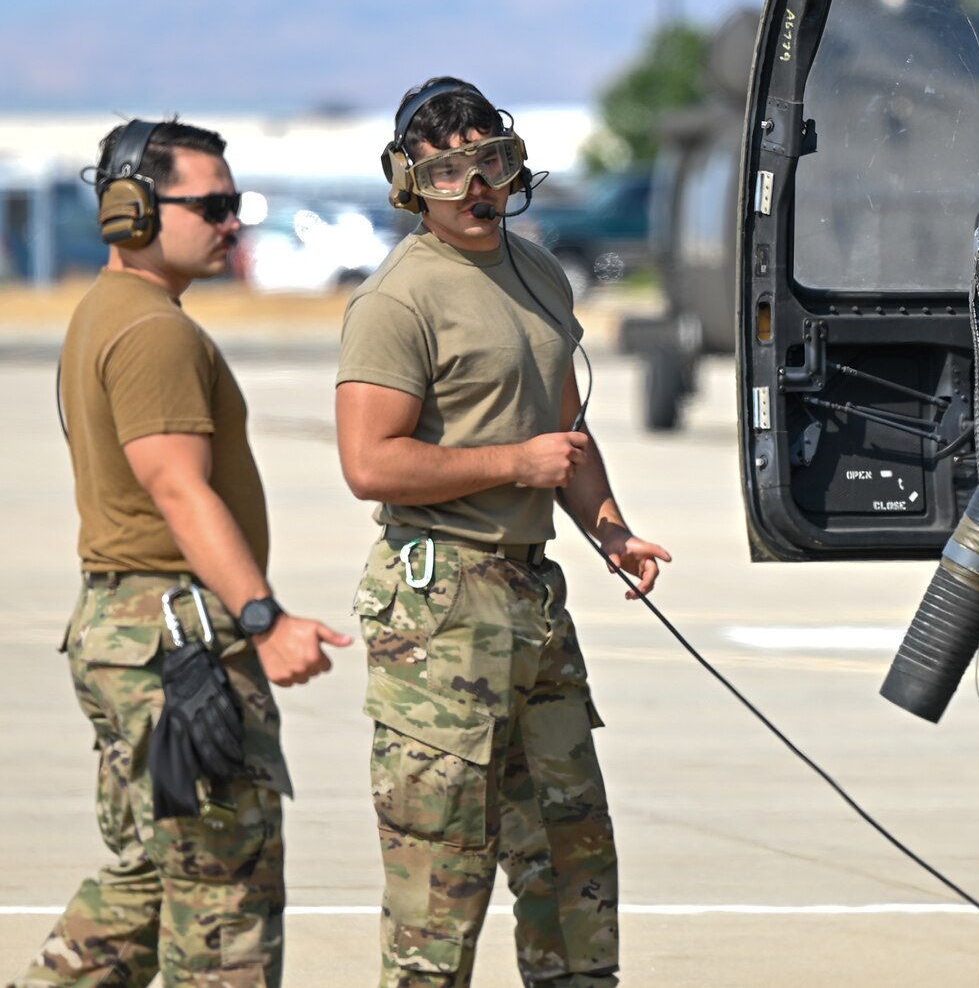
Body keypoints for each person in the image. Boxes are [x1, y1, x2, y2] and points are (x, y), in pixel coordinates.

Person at [334, 79, 670, 988]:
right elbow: (370, 462)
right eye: (448, 171)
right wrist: (512, 465)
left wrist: (611, 530)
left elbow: (566, 431)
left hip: (531, 595)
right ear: (412, 184)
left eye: (492, 161)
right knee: (441, 885)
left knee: (572, 860)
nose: (476, 186)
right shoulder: (397, 302)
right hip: (438, 608)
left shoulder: (538, 274)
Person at [17, 119, 350, 988]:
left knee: (152, 881)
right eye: (212, 204)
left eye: (232, 203)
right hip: (178, 644)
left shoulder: (111, 312)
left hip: (133, 632)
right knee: (222, 898)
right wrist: (263, 618)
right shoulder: (154, 332)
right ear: (132, 210)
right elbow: (178, 488)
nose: (231, 221)